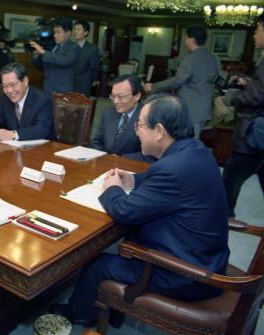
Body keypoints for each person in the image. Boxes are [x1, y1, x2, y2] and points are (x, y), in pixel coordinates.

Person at [50, 95, 229, 327]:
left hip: (186, 274)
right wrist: (133, 180)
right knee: (123, 242)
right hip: (207, 256)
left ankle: (78, 314)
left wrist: (112, 189)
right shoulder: (196, 151)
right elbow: (165, 183)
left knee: (97, 264)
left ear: (160, 131)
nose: (137, 132)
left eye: (141, 125)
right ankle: (110, 310)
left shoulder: (171, 170)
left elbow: (123, 211)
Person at [222, 14, 264, 226]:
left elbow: (257, 97)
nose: (255, 34)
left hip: (253, 134)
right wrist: (249, 82)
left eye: (257, 30)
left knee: (231, 176)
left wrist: (231, 97)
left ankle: (224, 218)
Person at [144, 25, 219, 139]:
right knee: (193, 141)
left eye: (186, 38)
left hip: (191, 110)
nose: (184, 40)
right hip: (204, 108)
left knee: (186, 142)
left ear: (192, 39)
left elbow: (177, 81)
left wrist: (153, 86)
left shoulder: (191, 58)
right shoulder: (212, 58)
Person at [0, 63, 56, 141]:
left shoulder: (42, 99)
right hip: (14, 150)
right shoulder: (5, 97)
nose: (9, 90)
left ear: (25, 81)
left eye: (13, 85)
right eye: (5, 86)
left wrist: (13, 135)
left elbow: (42, 129)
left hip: (41, 151)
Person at [91, 75, 152, 162]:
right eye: (113, 96)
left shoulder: (148, 116)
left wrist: (120, 159)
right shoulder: (108, 113)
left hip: (133, 168)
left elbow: (151, 154)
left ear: (137, 96)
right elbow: (97, 142)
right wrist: (104, 158)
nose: (115, 101)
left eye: (121, 96)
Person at [31, 17, 80, 94]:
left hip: (62, 91)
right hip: (47, 88)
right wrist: (36, 55)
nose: (55, 35)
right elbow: (44, 67)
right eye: (54, 32)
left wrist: (43, 52)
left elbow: (64, 60)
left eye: (58, 32)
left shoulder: (74, 47)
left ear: (68, 33)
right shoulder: (53, 47)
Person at [73, 20, 99, 97]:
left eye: (79, 29)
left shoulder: (92, 49)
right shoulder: (70, 47)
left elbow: (94, 69)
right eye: (75, 29)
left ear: (86, 32)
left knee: (80, 108)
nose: (75, 32)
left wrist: (89, 82)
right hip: (68, 84)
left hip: (83, 85)